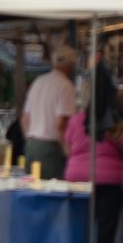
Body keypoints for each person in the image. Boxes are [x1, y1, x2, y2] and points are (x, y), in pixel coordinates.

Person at [64, 66, 123, 243]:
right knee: (107, 222)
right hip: (110, 177)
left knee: (81, 221)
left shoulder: (75, 120)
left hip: (78, 176)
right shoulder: (116, 123)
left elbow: (69, 144)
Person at [21, 43, 78, 183]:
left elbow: (24, 119)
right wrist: (68, 151)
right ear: (71, 65)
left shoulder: (38, 82)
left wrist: (30, 140)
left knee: (31, 195)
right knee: (52, 195)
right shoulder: (66, 86)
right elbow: (61, 124)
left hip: (32, 146)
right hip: (51, 149)